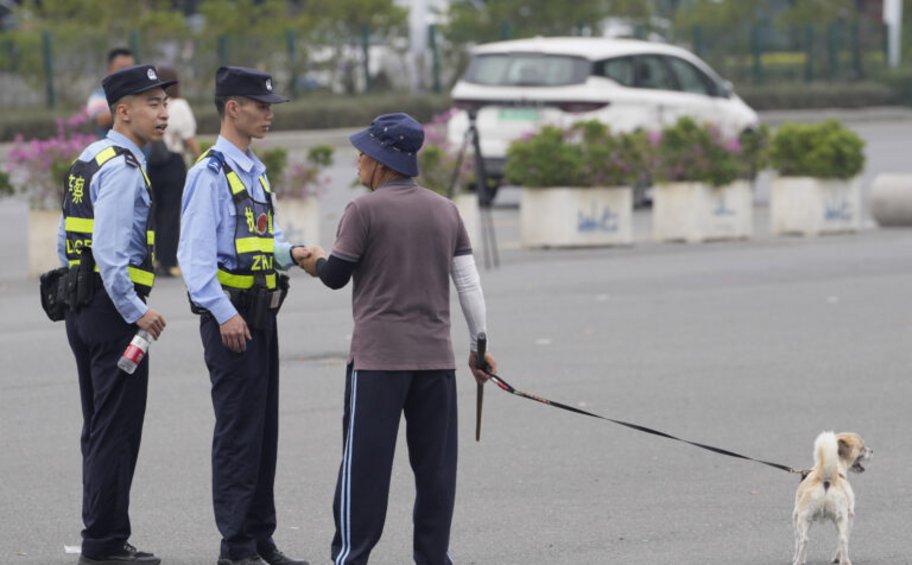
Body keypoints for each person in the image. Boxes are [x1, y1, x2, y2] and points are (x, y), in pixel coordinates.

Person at [298, 113, 498, 565]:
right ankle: (433, 558)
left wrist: (311, 260)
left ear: (381, 162)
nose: (358, 162)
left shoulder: (362, 210)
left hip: (378, 365)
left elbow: (334, 276)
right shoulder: (445, 210)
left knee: (364, 471)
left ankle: (351, 556)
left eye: (363, 154)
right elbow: (469, 285)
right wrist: (478, 348)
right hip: (436, 364)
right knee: (435, 473)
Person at [177, 66, 311, 565]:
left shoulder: (252, 169)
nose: (269, 113)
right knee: (237, 432)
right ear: (233, 107)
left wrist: (291, 253)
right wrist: (222, 313)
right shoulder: (208, 173)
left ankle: (259, 537)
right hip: (231, 321)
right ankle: (235, 546)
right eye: (261, 104)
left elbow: (253, 244)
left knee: (262, 431)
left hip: (260, 317)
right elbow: (194, 260)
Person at [57, 64, 173, 565]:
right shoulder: (123, 168)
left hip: (81, 308)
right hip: (112, 314)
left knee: (100, 426)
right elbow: (110, 251)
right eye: (152, 104)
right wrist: (137, 311)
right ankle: (103, 543)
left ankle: (101, 535)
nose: (164, 112)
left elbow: (67, 239)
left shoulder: (89, 157)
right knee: (115, 430)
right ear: (123, 112)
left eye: (165, 102)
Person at [146, 66, 199, 278]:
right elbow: (189, 137)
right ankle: (169, 262)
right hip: (173, 161)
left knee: (155, 213)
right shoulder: (180, 106)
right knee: (171, 212)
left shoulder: (152, 106)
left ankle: (156, 259)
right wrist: (200, 157)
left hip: (153, 162)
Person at [86, 48, 136, 139]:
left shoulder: (140, 92)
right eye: (122, 68)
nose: (127, 72)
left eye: (130, 68)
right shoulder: (99, 95)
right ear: (110, 70)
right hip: (112, 151)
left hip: (142, 152)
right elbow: (101, 120)